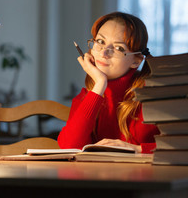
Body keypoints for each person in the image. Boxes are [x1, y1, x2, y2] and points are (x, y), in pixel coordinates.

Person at [57, 11, 159, 153]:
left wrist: (138, 149)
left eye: (118, 48)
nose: (104, 53)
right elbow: (69, 146)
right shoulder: (88, 96)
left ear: (136, 61)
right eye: (100, 41)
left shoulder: (154, 96)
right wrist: (99, 84)